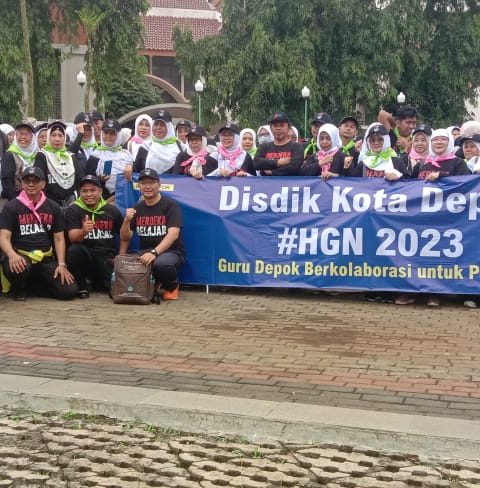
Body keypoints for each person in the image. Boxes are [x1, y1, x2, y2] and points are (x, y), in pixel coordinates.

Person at [0, 167, 77, 301]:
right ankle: (19, 289)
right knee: (18, 268)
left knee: (69, 291)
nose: (31, 184)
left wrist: (61, 264)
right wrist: (11, 255)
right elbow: (4, 237)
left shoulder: (53, 207)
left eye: (35, 181)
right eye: (27, 181)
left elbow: (59, 238)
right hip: (21, 256)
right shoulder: (11, 207)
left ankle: (32, 287)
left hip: (45, 258)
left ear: (43, 184)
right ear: (22, 184)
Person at [120, 168, 185, 301]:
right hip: (145, 253)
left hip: (171, 252)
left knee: (161, 264)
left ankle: (171, 287)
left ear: (159, 184)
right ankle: (154, 282)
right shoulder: (137, 208)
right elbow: (126, 237)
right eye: (143, 183)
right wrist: (126, 221)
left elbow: (173, 234)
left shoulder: (170, 205)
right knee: (127, 265)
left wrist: (154, 253)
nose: (147, 186)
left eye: (151, 182)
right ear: (139, 186)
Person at [65, 175, 123, 299]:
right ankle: (82, 287)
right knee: (73, 250)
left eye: (93, 190)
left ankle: (99, 282)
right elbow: (72, 238)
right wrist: (83, 231)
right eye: (84, 191)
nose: (89, 194)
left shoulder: (112, 211)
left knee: (113, 289)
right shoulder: (73, 210)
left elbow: (125, 236)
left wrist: (121, 256)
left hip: (105, 256)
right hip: (86, 256)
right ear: (80, 193)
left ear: (100, 191)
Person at [33, 120, 84, 209]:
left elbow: (79, 180)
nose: (57, 139)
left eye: (60, 135)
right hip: (49, 205)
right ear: (48, 137)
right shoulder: (42, 155)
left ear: (65, 138)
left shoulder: (70, 156)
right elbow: (38, 182)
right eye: (53, 135)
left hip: (72, 204)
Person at [86, 119, 133, 198]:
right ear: (102, 133)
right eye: (106, 133)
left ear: (118, 135)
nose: (108, 136)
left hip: (126, 197)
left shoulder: (126, 155)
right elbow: (88, 182)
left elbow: (136, 178)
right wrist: (101, 180)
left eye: (112, 134)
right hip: (103, 199)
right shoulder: (95, 156)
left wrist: (131, 166)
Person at [133, 110, 182, 175]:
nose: (158, 127)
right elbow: (136, 171)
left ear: (169, 127)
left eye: (162, 125)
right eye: (156, 124)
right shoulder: (146, 146)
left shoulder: (179, 147)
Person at [1, 122, 37, 201]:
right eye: (20, 133)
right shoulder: (10, 155)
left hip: (35, 200)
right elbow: (7, 182)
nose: (23, 137)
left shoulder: (38, 155)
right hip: (16, 200)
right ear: (16, 136)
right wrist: (17, 202)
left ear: (33, 137)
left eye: (27, 134)